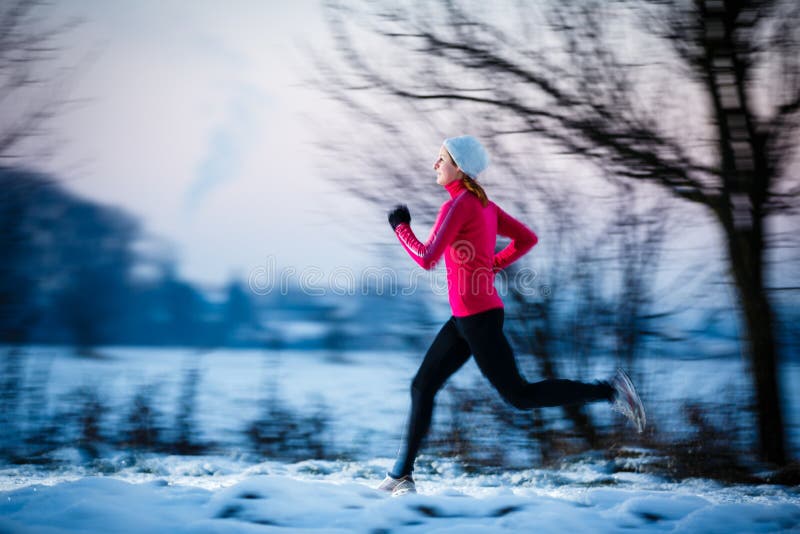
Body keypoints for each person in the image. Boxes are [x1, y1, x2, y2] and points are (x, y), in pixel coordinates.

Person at [377, 135, 645, 497]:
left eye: (441, 159)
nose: (435, 164)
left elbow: (427, 258)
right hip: (468, 318)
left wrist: (400, 227)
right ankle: (401, 476)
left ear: (459, 167)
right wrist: (490, 265)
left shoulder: (458, 206)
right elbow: (527, 239)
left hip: (477, 318)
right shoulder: (483, 205)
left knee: (520, 396)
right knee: (422, 386)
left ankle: (611, 391)